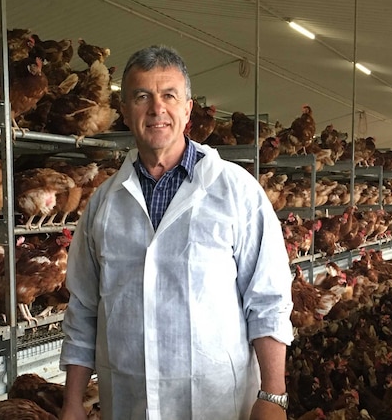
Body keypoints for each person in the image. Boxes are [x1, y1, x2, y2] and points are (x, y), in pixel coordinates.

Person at [59, 45, 294, 420]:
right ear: (125, 111)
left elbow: (267, 298)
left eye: (169, 95)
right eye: (141, 97)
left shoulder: (236, 191)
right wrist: (72, 403)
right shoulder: (103, 204)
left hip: (217, 402)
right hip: (128, 399)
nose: (156, 109)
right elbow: (84, 309)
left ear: (187, 110)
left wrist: (273, 395)